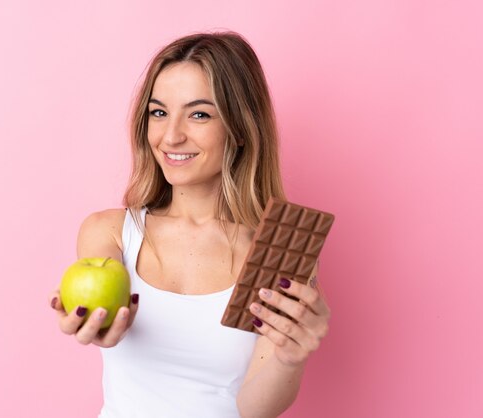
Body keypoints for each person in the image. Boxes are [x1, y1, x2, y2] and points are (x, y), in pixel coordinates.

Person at [49, 31, 331, 417]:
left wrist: (290, 356)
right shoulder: (110, 232)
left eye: (199, 114)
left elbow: (251, 411)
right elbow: (102, 318)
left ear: (241, 127)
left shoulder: (279, 254)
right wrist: (96, 324)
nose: (171, 135)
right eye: (159, 112)